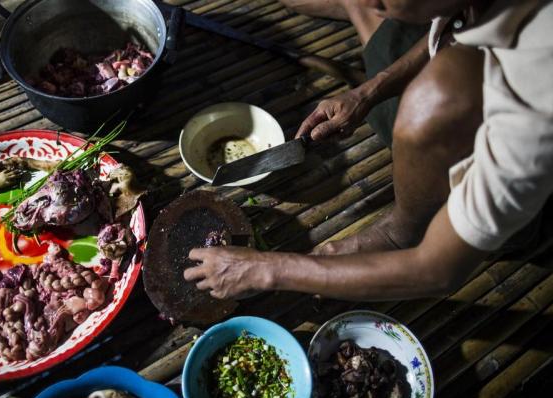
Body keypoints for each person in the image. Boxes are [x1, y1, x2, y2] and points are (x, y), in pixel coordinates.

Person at [184, 0, 553, 301]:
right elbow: (454, 24)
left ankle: (403, 231)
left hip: (524, 201)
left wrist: (264, 270)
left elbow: (439, 271)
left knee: (436, 93)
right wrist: (368, 92)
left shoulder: (534, 94)